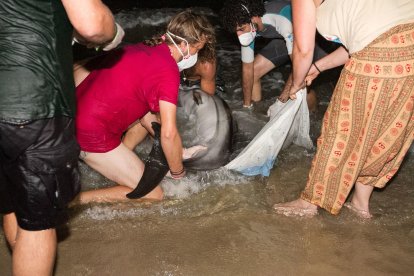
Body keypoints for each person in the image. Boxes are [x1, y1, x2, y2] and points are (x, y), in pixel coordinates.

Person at [0, 0, 122, 274]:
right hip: (34, 103)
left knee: (11, 202)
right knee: (38, 223)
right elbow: (91, 24)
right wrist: (113, 32)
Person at [273, 0, 414, 218]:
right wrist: (318, 67)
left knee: (342, 132)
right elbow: (363, 39)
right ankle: (360, 204)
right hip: (409, 55)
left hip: (376, 56)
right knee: (385, 134)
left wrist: (296, 82)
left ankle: (310, 202)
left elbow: (302, 49)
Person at [72, 10, 215, 204]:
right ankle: (74, 201)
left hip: (70, 119)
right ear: (183, 45)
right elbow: (168, 133)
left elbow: (149, 117)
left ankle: (121, 162)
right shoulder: (168, 71)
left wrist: (179, 151)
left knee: (146, 114)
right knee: (154, 194)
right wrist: (178, 172)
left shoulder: (140, 47)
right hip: (90, 134)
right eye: (196, 50)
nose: (195, 56)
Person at [220, 0, 327, 110]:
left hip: (313, 41)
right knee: (254, 71)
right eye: (236, 31)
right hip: (286, 39)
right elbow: (247, 69)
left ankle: (313, 117)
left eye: (241, 29)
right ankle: (255, 109)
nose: (239, 35)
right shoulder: (248, 27)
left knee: (301, 87)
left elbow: (299, 63)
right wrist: (246, 106)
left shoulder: (281, 20)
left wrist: (282, 100)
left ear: (254, 17)